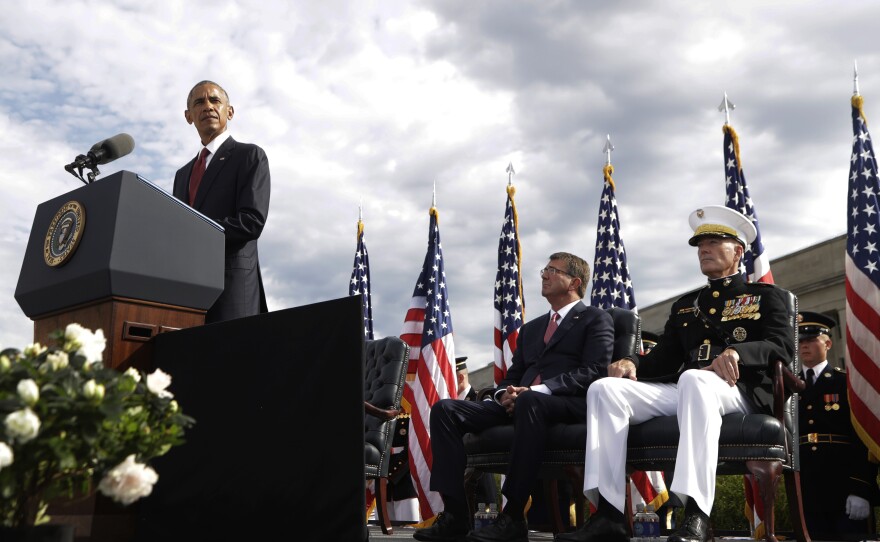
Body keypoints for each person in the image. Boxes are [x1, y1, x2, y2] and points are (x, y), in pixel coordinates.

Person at [557, 205, 795, 542]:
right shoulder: (687, 305)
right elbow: (663, 361)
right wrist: (631, 363)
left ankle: (695, 513)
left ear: (738, 252)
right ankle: (608, 515)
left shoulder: (766, 297)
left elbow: (782, 348)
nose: (704, 250)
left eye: (714, 242)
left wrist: (737, 352)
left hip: (739, 392)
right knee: (605, 389)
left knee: (694, 378)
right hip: (689, 390)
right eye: (700, 246)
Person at [413, 252, 614, 542]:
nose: (543, 275)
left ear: (574, 282)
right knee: (445, 409)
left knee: (530, 402)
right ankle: (456, 515)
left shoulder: (595, 319)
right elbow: (512, 376)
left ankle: (514, 515)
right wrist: (502, 395)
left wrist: (536, 391)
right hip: (521, 402)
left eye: (552, 270)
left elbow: (594, 371)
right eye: (544, 269)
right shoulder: (532, 329)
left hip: (565, 404)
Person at [172, 80, 271, 323]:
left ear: (230, 111)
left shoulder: (249, 156)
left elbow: (251, 222)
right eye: (199, 102)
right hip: (188, 293)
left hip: (232, 293)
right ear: (189, 116)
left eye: (215, 100)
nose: (207, 106)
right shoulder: (182, 175)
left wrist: (196, 233)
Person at [796, 311, 878, 540]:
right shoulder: (790, 387)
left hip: (843, 485)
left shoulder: (846, 383)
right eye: (800, 342)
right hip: (807, 488)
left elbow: (862, 438)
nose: (804, 346)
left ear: (828, 343)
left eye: (811, 340)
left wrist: (861, 489)